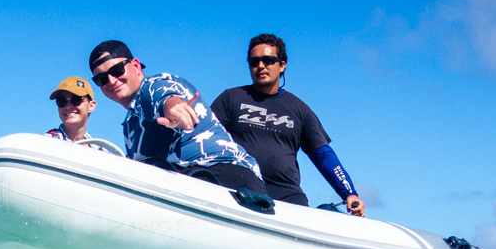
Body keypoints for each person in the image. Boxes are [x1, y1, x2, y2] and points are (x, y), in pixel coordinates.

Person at [88, 40, 272, 207]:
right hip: (184, 181)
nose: (111, 80)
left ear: (135, 66)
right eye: (101, 79)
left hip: (225, 176)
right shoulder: (129, 125)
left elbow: (165, 95)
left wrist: (173, 108)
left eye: (117, 70)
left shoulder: (153, 86)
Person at [210, 33, 367, 217]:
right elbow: (204, 137)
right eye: (254, 62)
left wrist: (349, 193)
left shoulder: (299, 109)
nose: (260, 66)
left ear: (282, 65)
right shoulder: (231, 98)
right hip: (237, 189)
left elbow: (323, 155)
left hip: (286, 196)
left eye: (268, 60)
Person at [44, 76, 124, 155]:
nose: (68, 106)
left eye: (76, 100)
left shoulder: (100, 152)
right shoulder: (47, 143)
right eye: (62, 101)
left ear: (91, 106)